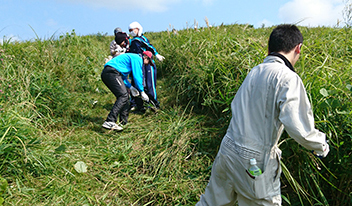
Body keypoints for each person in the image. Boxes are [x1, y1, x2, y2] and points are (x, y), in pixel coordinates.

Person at [196, 24, 330, 206]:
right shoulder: (287, 77)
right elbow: (300, 128)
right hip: (254, 161)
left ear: (269, 48)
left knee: (211, 202)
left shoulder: (255, 71)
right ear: (299, 48)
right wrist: (320, 145)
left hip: (227, 148)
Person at [101, 49, 152, 131]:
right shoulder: (137, 58)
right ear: (145, 57)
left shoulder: (131, 59)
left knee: (125, 97)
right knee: (123, 95)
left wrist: (131, 87)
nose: (147, 65)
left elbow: (123, 78)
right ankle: (110, 121)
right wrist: (142, 91)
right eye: (148, 62)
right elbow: (137, 75)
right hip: (111, 73)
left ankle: (123, 122)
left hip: (111, 73)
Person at [127, 21, 165, 112]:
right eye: (129, 30)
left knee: (149, 85)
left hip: (147, 65)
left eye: (132, 30)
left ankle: (154, 104)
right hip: (136, 65)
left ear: (138, 29)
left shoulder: (141, 39)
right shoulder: (132, 42)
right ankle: (137, 105)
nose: (131, 32)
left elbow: (150, 47)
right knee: (136, 84)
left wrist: (156, 54)